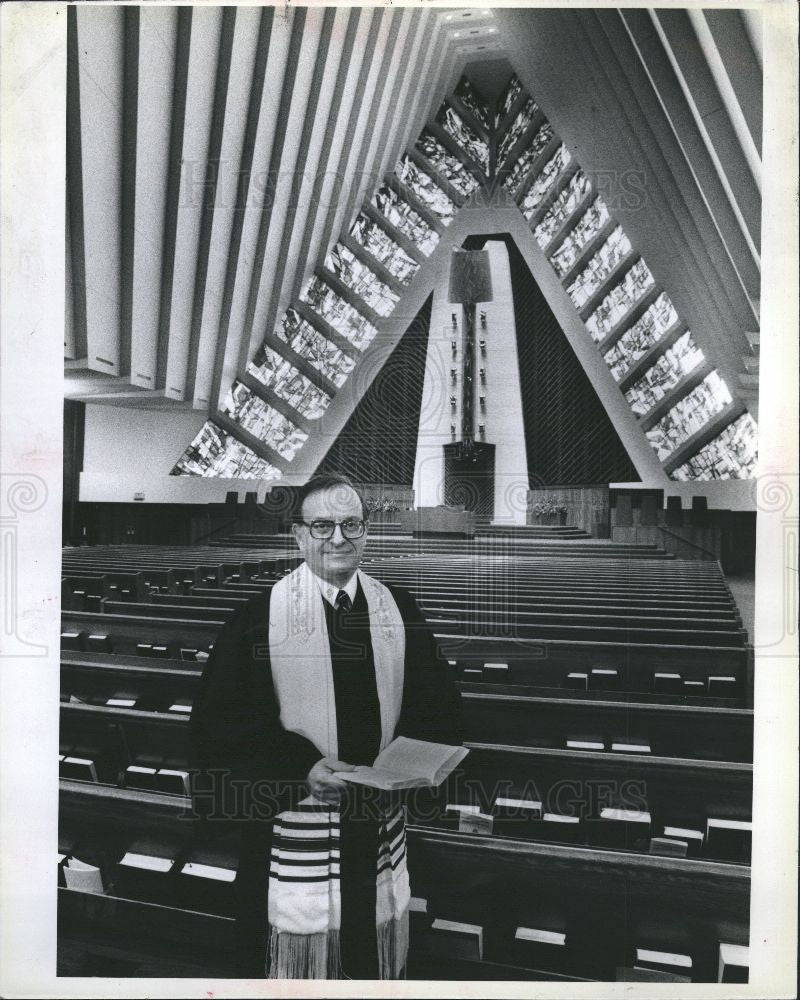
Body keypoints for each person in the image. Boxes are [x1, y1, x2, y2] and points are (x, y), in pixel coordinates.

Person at [189, 473, 463, 980]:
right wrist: (301, 769)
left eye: (350, 524)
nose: (338, 538)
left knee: (368, 963)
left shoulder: (397, 609)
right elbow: (222, 726)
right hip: (297, 817)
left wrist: (410, 765)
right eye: (322, 526)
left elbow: (436, 706)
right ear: (298, 535)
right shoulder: (256, 619)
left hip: (377, 816)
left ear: (366, 532)